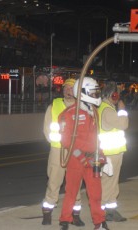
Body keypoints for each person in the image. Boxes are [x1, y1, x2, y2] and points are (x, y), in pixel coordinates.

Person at [59, 77, 109, 230]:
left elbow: (96, 137)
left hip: (92, 159)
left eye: (96, 93)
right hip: (76, 159)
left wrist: (102, 157)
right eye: (92, 93)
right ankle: (65, 221)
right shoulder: (68, 114)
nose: (95, 96)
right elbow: (66, 140)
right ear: (83, 93)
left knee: (96, 194)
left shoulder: (94, 112)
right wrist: (81, 157)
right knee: (71, 192)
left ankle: (99, 222)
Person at [41, 78, 84, 226]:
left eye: (72, 88)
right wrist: (57, 143)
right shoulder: (54, 106)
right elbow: (47, 129)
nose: (68, 90)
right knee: (54, 181)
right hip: (58, 150)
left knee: (75, 184)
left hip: (76, 152)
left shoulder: (82, 107)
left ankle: (75, 214)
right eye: (66, 87)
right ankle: (47, 213)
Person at [98, 82, 129, 222]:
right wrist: (122, 110)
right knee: (107, 183)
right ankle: (102, 211)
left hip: (111, 153)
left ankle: (110, 211)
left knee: (112, 183)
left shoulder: (104, 108)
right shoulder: (107, 110)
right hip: (109, 154)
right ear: (113, 95)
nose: (118, 98)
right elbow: (124, 124)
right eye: (117, 94)